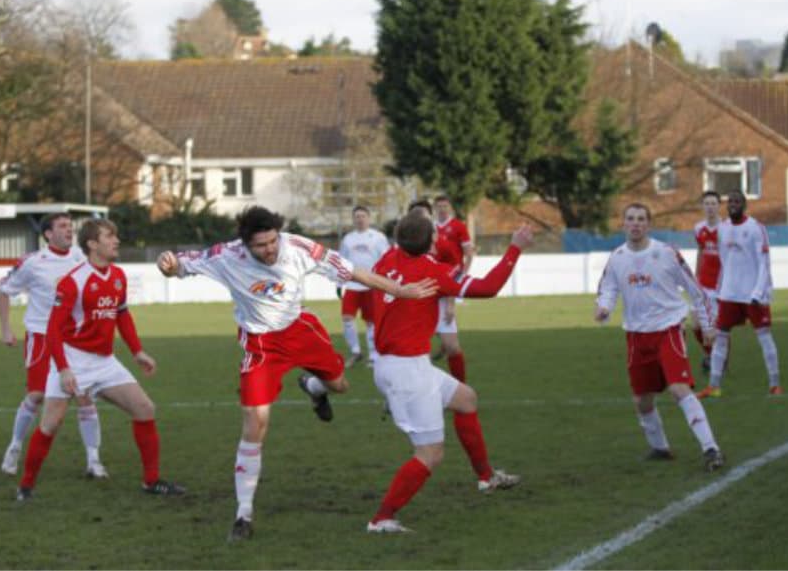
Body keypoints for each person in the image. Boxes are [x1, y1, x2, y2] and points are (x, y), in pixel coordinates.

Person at [156, 206, 437, 542]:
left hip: (300, 331)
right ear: (245, 244)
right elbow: (180, 264)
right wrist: (168, 265)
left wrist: (399, 289)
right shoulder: (225, 256)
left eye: (273, 241)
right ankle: (243, 514)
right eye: (261, 246)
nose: (270, 249)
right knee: (255, 424)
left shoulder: (299, 248)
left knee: (341, 385)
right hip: (261, 346)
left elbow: (354, 273)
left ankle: (315, 386)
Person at [365, 212, 531, 534]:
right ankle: (381, 518)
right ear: (432, 240)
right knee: (430, 453)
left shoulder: (387, 258)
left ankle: (486, 478)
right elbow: (489, 287)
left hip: (395, 363)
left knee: (466, 399)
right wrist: (515, 249)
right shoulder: (433, 273)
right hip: (407, 370)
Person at [16, 218, 184, 500]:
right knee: (50, 424)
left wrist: (137, 351)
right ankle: (26, 486)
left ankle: (151, 481)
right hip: (72, 359)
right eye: (109, 236)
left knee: (145, 408)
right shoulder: (73, 282)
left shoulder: (118, 275)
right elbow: (53, 330)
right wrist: (65, 369)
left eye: (116, 236)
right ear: (92, 244)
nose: (116, 241)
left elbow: (122, 314)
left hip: (105, 362)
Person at [595, 203, 725, 472]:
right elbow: (608, 287)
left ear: (649, 225)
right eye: (630, 219)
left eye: (641, 219)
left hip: (668, 329)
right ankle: (660, 447)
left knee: (679, 388)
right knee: (642, 400)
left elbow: (695, 289)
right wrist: (604, 307)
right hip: (636, 336)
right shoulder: (617, 257)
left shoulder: (666, 253)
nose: (635, 224)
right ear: (623, 224)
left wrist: (708, 324)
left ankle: (711, 448)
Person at [0, 213, 108, 478]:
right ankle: (14, 447)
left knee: (84, 397)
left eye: (71, 226)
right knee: (36, 396)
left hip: (74, 340)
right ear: (48, 234)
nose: (69, 230)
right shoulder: (33, 262)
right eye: (62, 226)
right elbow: (4, 291)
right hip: (41, 337)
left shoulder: (81, 259)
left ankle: (94, 460)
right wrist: (5, 329)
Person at [698, 190, 782, 398]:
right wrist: (721, 288)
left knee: (764, 337)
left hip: (753, 295)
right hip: (729, 294)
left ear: (745, 205)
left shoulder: (756, 228)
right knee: (720, 338)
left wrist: (758, 291)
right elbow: (724, 261)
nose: (733, 205)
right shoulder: (723, 229)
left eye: (737, 201)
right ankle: (714, 385)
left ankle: (774, 384)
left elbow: (764, 263)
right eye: (730, 202)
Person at [408, 201, 469, 382]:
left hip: (440, 300)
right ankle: (411, 390)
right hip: (414, 300)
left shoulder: (442, 244)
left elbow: (454, 271)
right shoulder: (404, 245)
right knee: (414, 351)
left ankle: (461, 388)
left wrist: (450, 303)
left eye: (424, 217)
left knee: (452, 347)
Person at [338, 206, 390, 368]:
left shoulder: (378, 237)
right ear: (353, 219)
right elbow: (341, 262)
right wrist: (339, 283)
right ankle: (355, 351)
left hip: (372, 284)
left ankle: (373, 355)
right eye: (357, 216)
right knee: (347, 318)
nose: (360, 219)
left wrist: (384, 281)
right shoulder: (348, 239)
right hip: (353, 283)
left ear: (369, 218)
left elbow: (387, 259)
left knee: (371, 322)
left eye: (363, 216)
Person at [691, 191, 726, 373]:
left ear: (719, 206)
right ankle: (714, 355)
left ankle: (720, 359)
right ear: (703, 207)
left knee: (718, 328)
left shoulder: (726, 228)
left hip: (720, 286)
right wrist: (695, 277)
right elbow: (700, 251)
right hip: (702, 284)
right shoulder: (698, 228)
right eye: (707, 203)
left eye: (713, 203)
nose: (710, 207)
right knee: (696, 325)